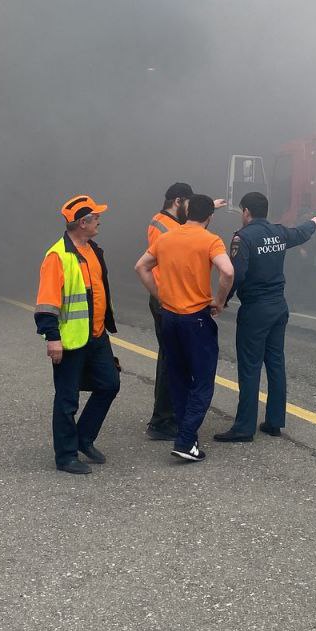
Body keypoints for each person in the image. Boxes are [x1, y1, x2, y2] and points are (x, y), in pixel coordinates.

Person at [213, 191, 316, 443]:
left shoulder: (243, 237)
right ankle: (274, 422)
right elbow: (301, 232)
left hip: (256, 310)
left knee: (250, 368)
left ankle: (243, 428)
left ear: (246, 212)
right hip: (278, 307)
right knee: (275, 364)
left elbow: (236, 274)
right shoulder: (279, 232)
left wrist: (222, 300)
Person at [134, 194, 234, 462]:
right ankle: (186, 439)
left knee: (177, 377)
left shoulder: (166, 238)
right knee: (202, 381)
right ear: (210, 217)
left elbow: (141, 266)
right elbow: (227, 271)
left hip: (169, 317)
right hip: (196, 319)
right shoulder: (211, 240)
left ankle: (183, 431)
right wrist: (219, 301)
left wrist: (159, 295)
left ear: (187, 211)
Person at [35, 194, 120, 474]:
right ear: (83, 223)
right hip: (71, 339)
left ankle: (83, 437)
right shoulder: (57, 256)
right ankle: (66, 456)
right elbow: (47, 302)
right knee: (67, 399)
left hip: (96, 335)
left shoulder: (93, 250)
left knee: (109, 385)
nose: (99, 221)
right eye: (96, 217)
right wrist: (52, 338)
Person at [145, 182, 193, 440]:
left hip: (168, 297)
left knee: (173, 357)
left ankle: (169, 415)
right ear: (178, 201)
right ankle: (162, 421)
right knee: (170, 359)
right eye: (189, 204)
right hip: (165, 299)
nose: (190, 209)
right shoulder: (164, 226)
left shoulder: (164, 221)